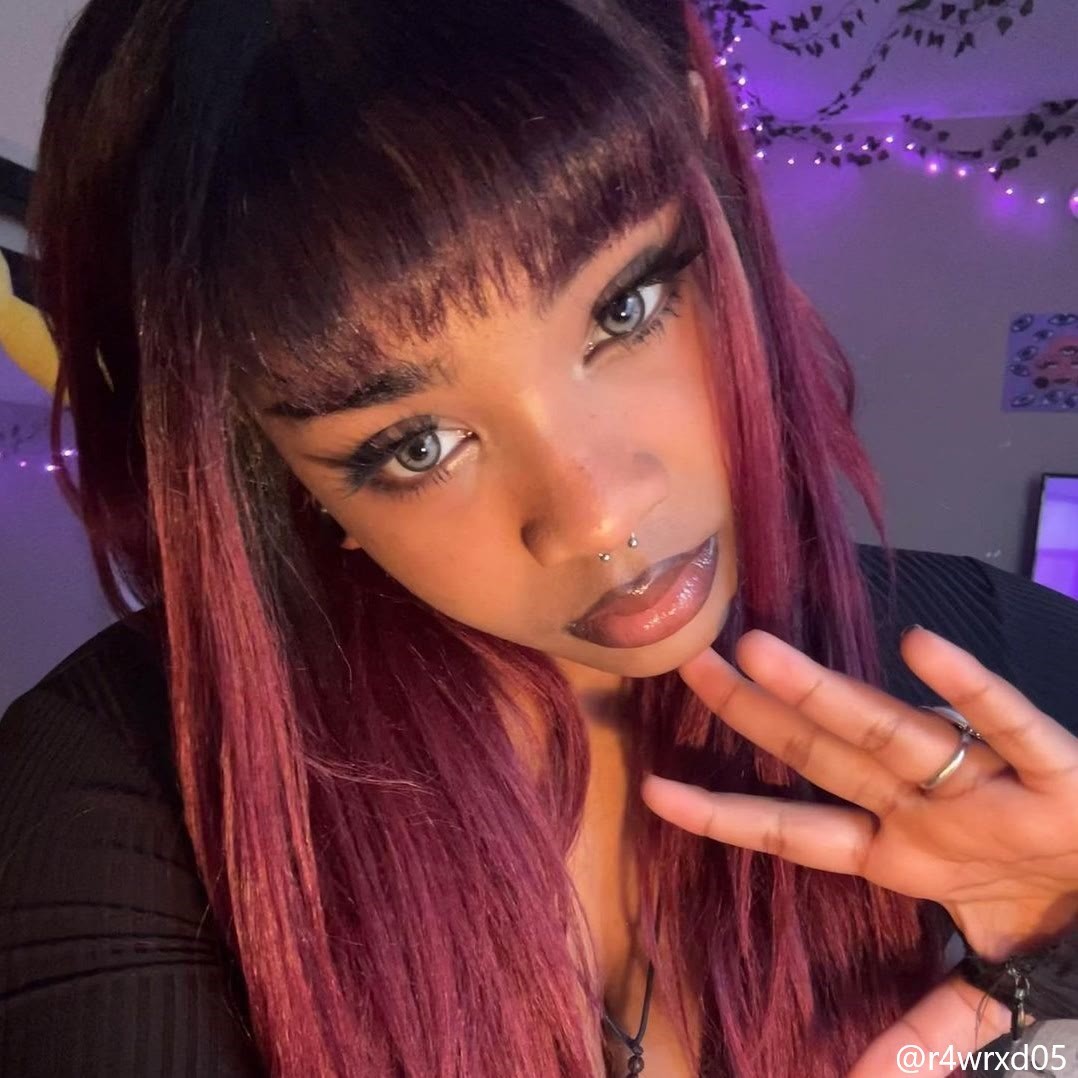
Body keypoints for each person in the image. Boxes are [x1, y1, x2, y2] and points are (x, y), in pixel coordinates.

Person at [1, 1, 1076, 1075]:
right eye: (416, 445)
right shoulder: (109, 795)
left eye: (624, 310)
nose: (597, 516)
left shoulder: (998, 654)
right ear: (274, 469)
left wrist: (1058, 945)